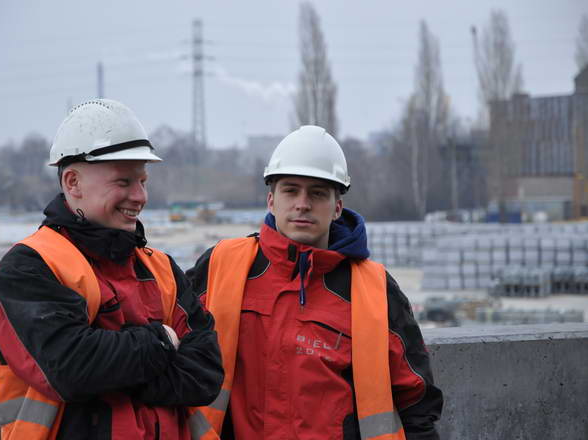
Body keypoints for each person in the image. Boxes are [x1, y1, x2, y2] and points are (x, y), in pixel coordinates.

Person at [0, 99, 223, 440]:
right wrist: (162, 340)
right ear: (72, 183)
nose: (139, 196)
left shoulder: (161, 268)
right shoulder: (28, 267)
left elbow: (206, 374)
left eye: (143, 181)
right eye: (124, 182)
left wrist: (114, 369)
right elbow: (71, 369)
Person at [186, 125, 443, 440]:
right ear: (271, 200)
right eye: (290, 190)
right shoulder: (221, 267)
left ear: (337, 207)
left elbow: (416, 403)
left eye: (317, 193)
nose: (302, 203)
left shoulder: (373, 290)